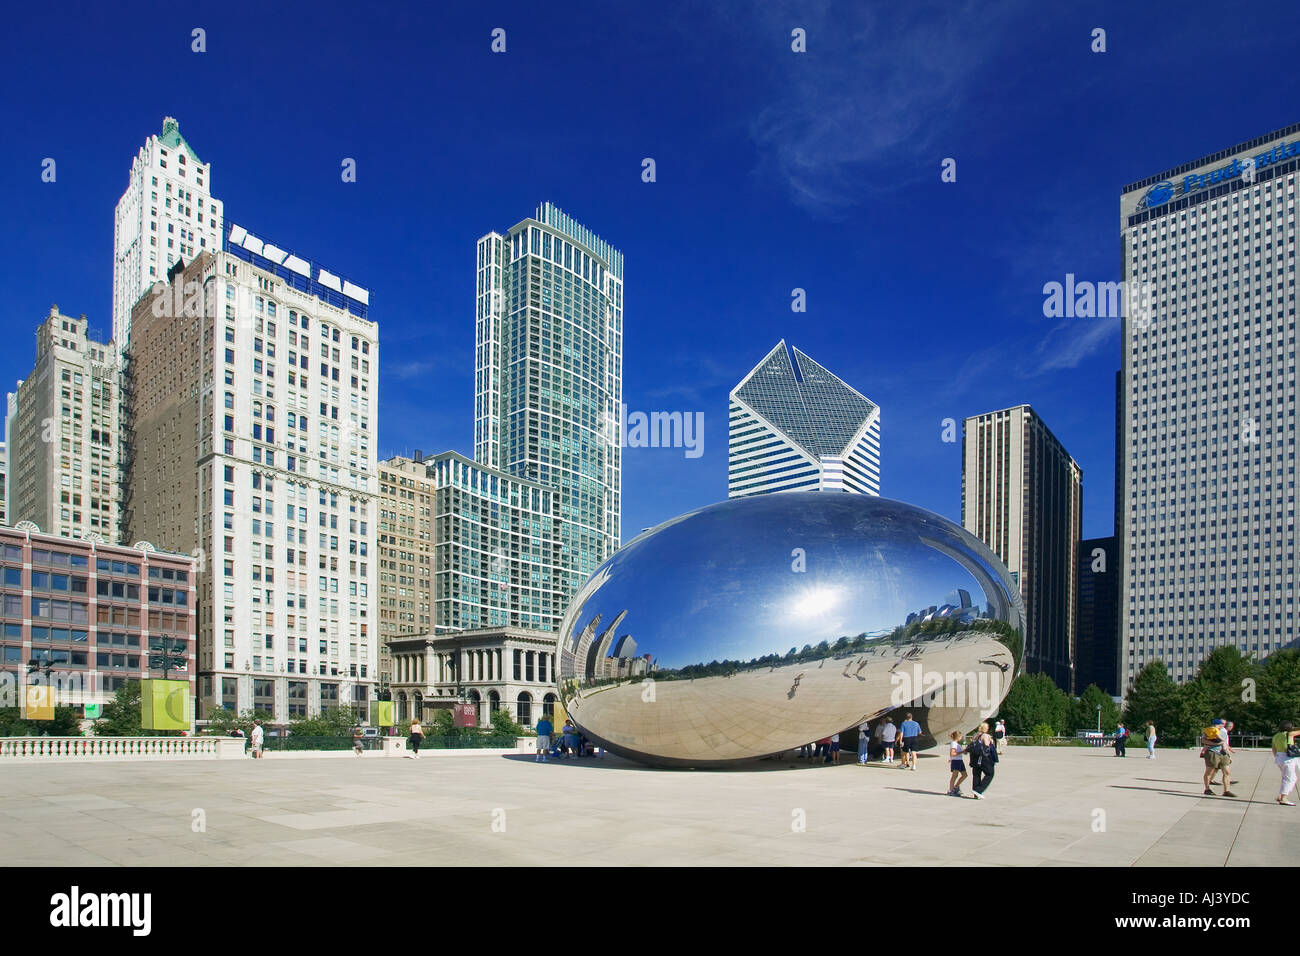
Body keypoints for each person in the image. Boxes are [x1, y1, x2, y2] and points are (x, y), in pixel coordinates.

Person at [1200, 719, 1235, 797]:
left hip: (1223, 753)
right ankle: (1207, 789)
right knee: (1209, 771)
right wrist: (1216, 744)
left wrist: (1229, 755)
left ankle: (1226, 791)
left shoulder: (1224, 731)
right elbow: (1204, 741)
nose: (1223, 725)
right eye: (1222, 724)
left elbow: (1226, 743)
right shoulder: (1209, 730)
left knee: (1227, 772)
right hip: (1212, 752)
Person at [1271, 720, 1300, 806]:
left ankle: (1282, 796)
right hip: (1288, 759)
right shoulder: (1289, 734)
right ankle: (1284, 798)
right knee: (1290, 779)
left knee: (1287, 778)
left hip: (1279, 758)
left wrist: (1277, 757)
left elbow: (1273, 749)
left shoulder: (1276, 736)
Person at [969, 722, 998, 798]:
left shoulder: (975, 735)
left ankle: (976, 793)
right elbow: (987, 746)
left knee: (976, 774)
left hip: (974, 757)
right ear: (985, 728)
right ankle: (978, 790)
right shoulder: (985, 735)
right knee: (990, 773)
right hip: (983, 758)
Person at [946, 731, 968, 797]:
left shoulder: (957, 744)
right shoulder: (953, 744)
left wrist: (963, 752)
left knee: (964, 775)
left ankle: (956, 787)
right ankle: (951, 790)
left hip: (959, 760)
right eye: (961, 737)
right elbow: (952, 753)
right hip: (956, 761)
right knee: (954, 776)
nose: (961, 738)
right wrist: (962, 752)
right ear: (958, 737)